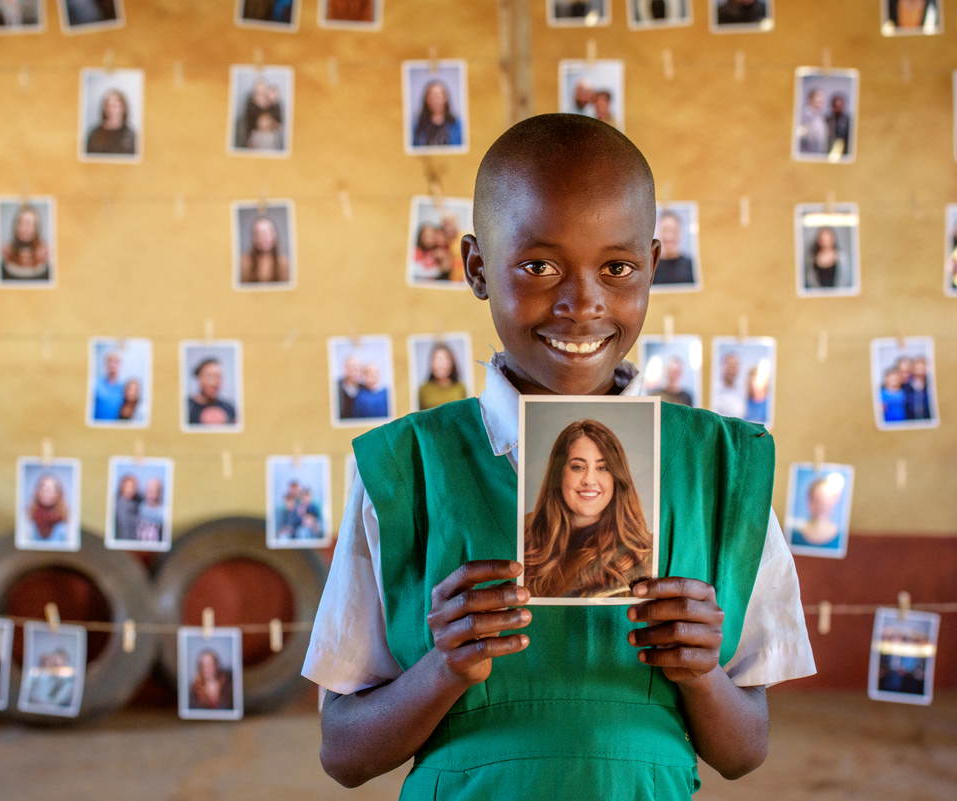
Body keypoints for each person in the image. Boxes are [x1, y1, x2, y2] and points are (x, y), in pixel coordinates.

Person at [305, 114, 814, 797]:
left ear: (653, 268)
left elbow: (744, 750)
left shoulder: (722, 470)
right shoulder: (406, 468)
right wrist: (444, 667)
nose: (582, 302)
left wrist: (702, 673)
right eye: (540, 265)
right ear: (478, 268)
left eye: (617, 267)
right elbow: (343, 752)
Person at [524, 420, 651, 598]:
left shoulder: (642, 554)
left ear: (616, 477)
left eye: (602, 468)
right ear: (559, 473)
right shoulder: (525, 532)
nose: (589, 480)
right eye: (578, 467)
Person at [789, 475, 844, 550]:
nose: (820, 506)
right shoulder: (794, 535)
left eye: (824, 500)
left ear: (834, 500)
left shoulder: (840, 538)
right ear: (809, 501)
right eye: (815, 500)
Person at [0, 204, 51, 283]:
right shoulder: (6, 252)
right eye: (21, 223)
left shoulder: (46, 255)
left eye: (30, 224)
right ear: (15, 226)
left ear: (37, 227)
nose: (25, 228)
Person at [86, 88, 137, 156]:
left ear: (123, 108)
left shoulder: (131, 136)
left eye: (116, 106)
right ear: (104, 108)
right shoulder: (94, 134)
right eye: (109, 106)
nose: (112, 110)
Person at [235, 79, 283, 150]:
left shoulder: (274, 104)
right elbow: (248, 124)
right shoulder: (250, 105)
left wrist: (271, 124)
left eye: (263, 90)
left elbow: (278, 124)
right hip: (254, 135)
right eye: (258, 91)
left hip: (269, 136)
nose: (260, 92)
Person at [412, 80, 463, 149]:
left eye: (439, 96)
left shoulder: (457, 125)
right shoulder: (416, 126)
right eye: (432, 96)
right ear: (426, 99)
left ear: (445, 99)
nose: (435, 100)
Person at [239, 216, 290, 284]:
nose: (263, 238)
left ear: (275, 236)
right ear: (253, 238)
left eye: (267, 232)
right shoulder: (244, 262)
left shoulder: (284, 262)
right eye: (258, 233)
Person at [187, 358, 237, 425]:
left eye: (218, 377)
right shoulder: (187, 407)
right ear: (199, 378)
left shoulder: (228, 407)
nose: (213, 383)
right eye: (209, 376)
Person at [418, 343, 467, 410]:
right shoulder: (423, 390)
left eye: (445, 359)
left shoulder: (460, 388)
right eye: (437, 359)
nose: (440, 365)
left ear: (451, 363)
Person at [653, 211, 694, 286]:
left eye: (673, 230)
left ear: (680, 233)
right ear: (658, 233)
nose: (669, 236)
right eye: (665, 230)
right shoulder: (650, 268)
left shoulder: (692, 266)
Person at [27, 474, 70, 543]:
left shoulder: (63, 519)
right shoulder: (30, 516)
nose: (47, 494)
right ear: (38, 492)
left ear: (57, 493)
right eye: (44, 490)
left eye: (50, 490)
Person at [712, 351, 747, 419]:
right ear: (722, 366)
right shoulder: (713, 388)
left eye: (735, 366)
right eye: (729, 365)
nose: (732, 369)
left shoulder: (743, 390)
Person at [92, 351, 124, 419]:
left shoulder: (123, 388)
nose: (112, 364)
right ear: (105, 364)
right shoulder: (95, 383)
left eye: (116, 362)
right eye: (110, 361)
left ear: (120, 365)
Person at [798, 88, 828, 155]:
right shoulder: (802, 115)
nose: (821, 99)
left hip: (819, 155)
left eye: (823, 97)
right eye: (818, 96)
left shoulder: (820, 116)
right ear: (810, 99)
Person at [136, 478, 165, 544]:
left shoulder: (164, 512)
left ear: (160, 493)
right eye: (150, 490)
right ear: (145, 491)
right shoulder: (140, 507)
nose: (152, 494)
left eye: (155, 491)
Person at [113, 474, 140, 540]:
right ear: (123, 486)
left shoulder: (137, 505)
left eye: (134, 486)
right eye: (129, 486)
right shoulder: (117, 506)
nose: (132, 489)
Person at [904, 356, 931, 421]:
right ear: (912, 369)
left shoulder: (931, 385)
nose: (920, 368)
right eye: (917, 366)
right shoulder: (905, 386)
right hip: (910, 421)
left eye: (923, 366)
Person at [336, 355, 362, 419]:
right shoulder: (336, 387)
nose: (355, 371)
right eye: (351, 368)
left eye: (357, 368)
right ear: (345, 369)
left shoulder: (363, 388)